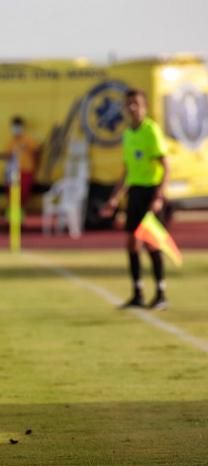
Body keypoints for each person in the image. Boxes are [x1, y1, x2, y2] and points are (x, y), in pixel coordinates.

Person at [100, 88, 169, 310]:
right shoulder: (128, 134)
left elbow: (165, 165)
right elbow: (128, 170)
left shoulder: (151, 131)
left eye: (136, 104)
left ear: (144, 106)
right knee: (131, 242)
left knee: (151, 243)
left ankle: (161, 293)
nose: (132, 108)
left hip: (151, 191)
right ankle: (137, 292)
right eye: (128, 104)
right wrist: (115, 198)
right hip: (136, 192)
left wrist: (159, 195)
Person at [5, 116, 39, 208]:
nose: (15, 129)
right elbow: (8, 157)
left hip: (26, 171)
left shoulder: (29, 140)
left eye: (17, 126)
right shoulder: (11, 141)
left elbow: (37, 153)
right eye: (13, 126)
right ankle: (14, 220)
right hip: (13, 172)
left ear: (22, 127)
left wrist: (35, 167)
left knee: (23, 196)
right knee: (13, 196)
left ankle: (21, 219)